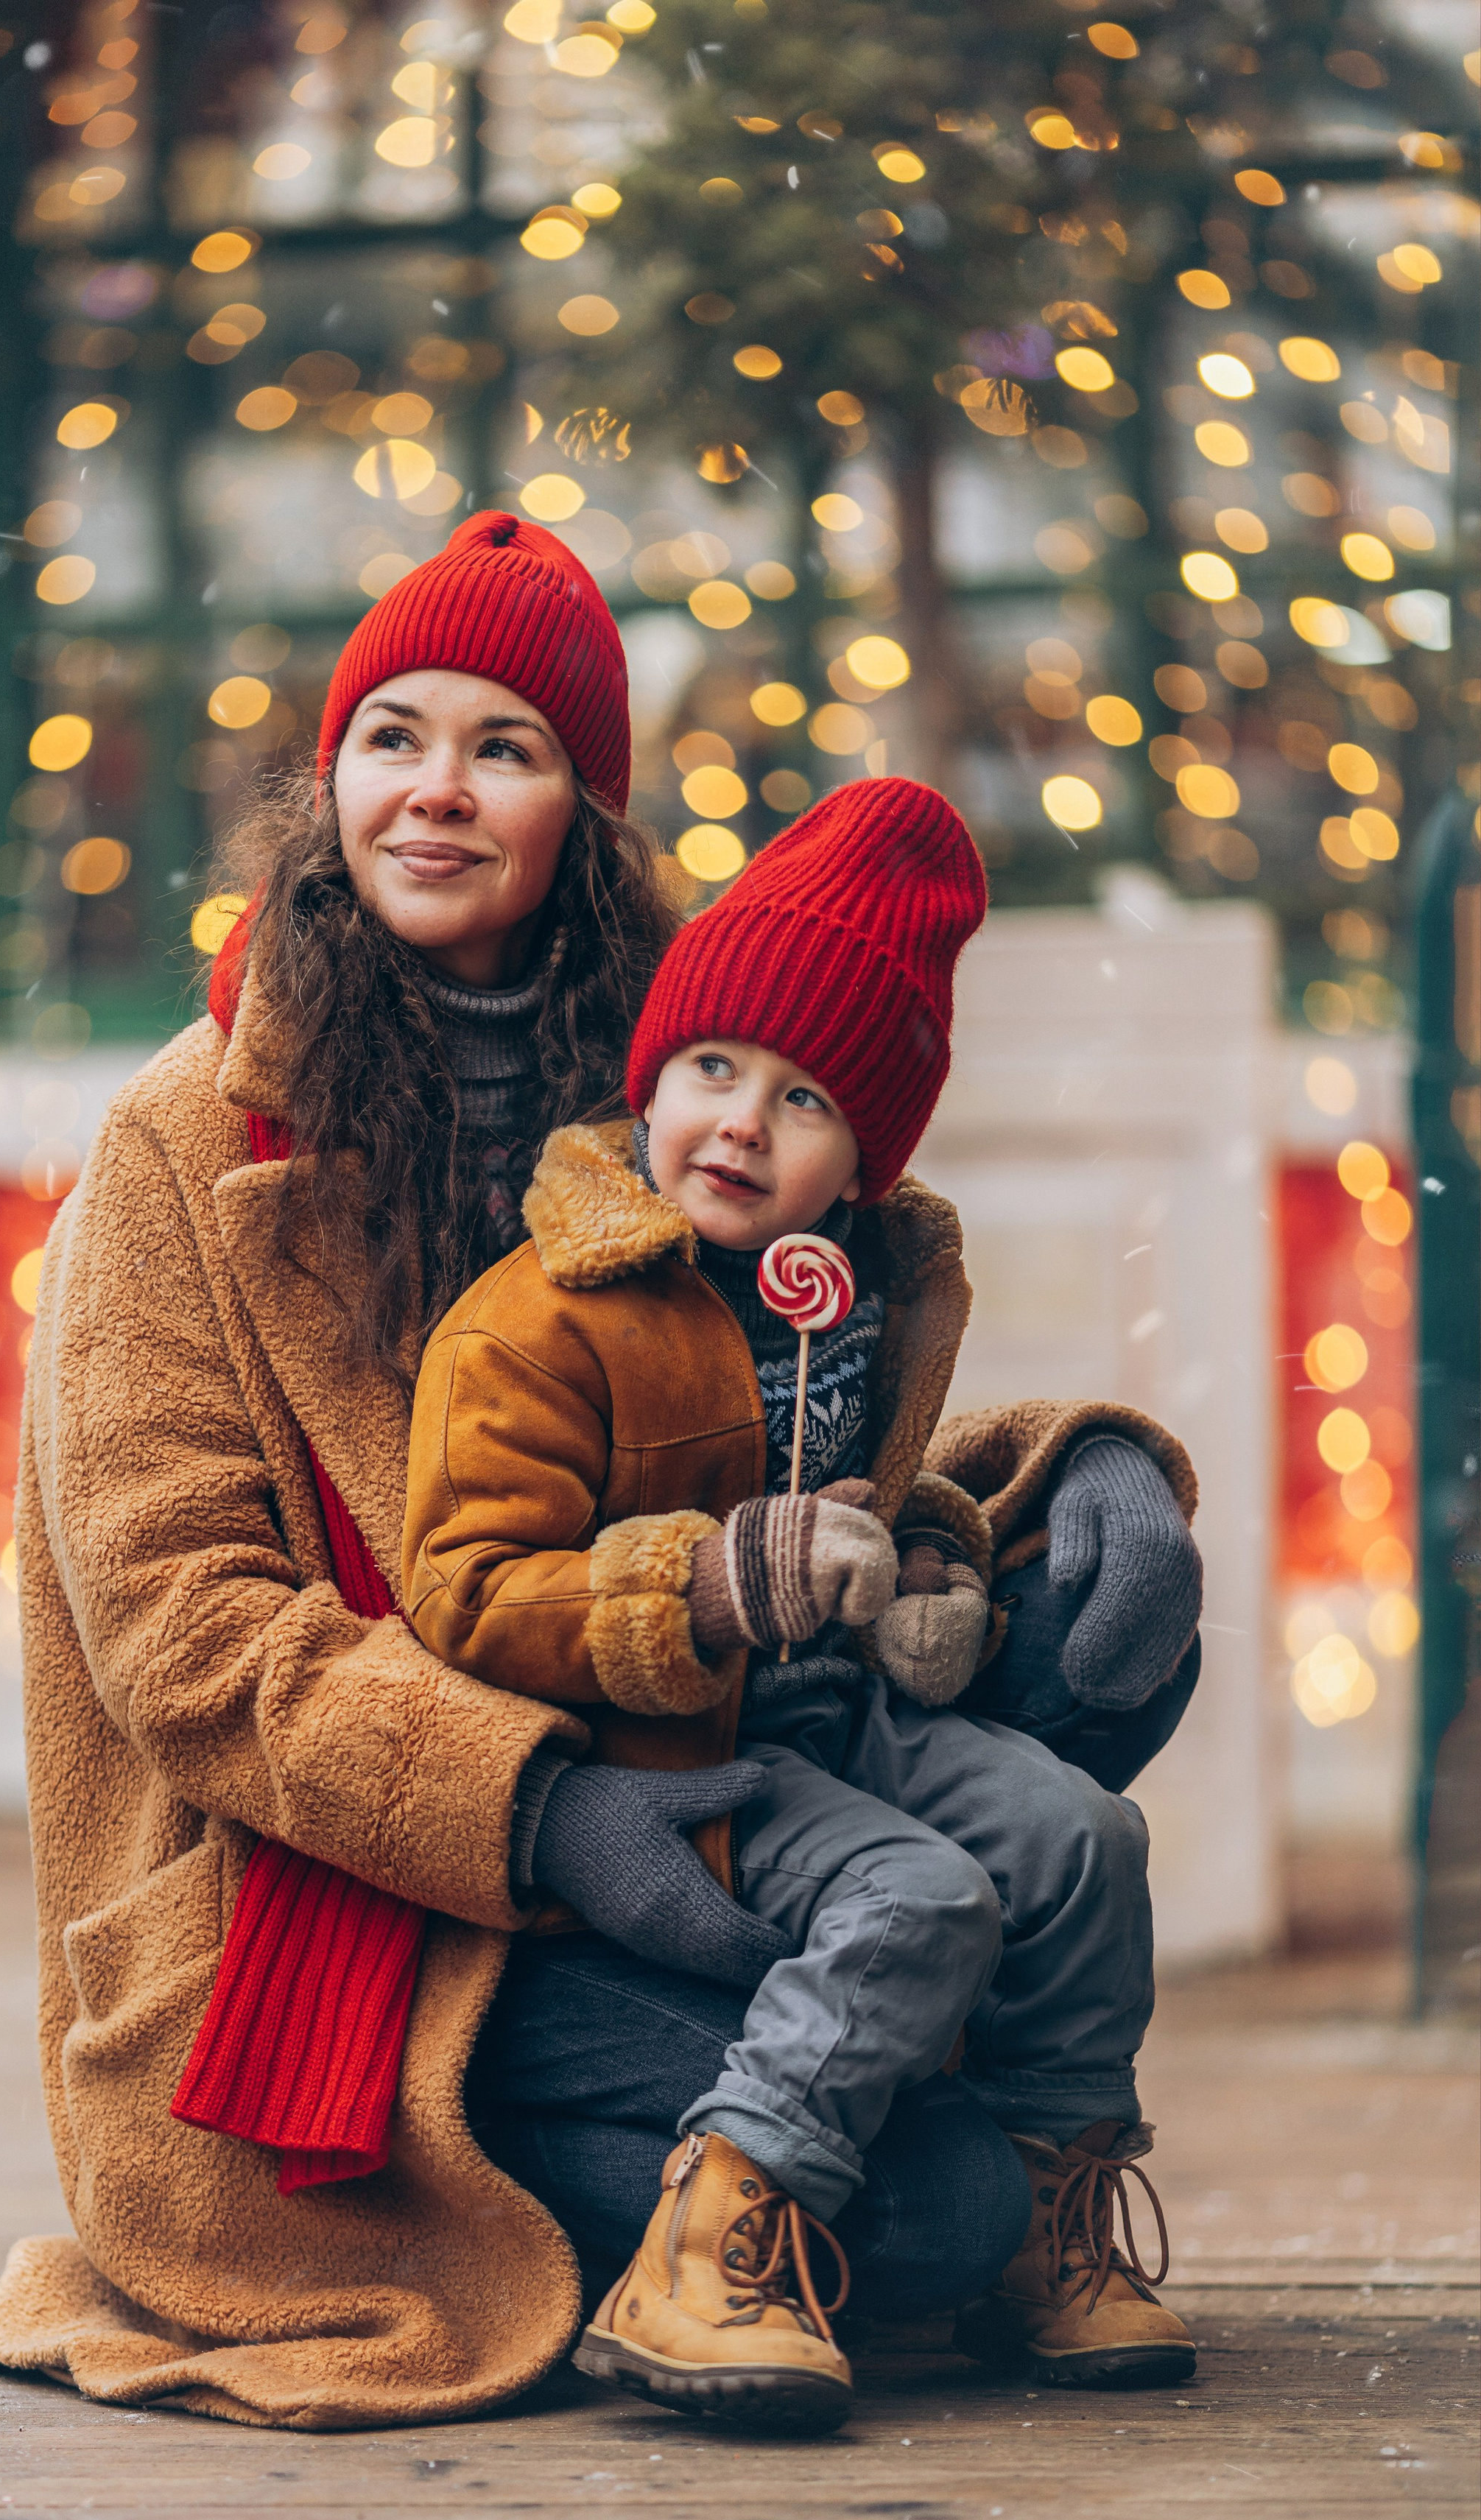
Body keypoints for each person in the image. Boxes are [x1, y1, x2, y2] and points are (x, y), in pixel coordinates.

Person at [0, 511, 1191, 2435]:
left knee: (1045, 1779)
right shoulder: (182, 1139)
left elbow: (781, 1449)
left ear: (580, 813)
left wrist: (1059, 1486)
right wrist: (532, 1811)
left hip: (682, 1745)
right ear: (330, 778)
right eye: (395, 737)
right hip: (361, 1901)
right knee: (928, 2211)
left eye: (507, 749)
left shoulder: (677, 1085)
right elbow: (183, 1632)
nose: (437, 793)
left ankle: (957, 2182)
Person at [406, 778, 1204, 2430]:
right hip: (669, 1758)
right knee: (919, 1899)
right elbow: (467, 1593)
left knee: (1079, 1841)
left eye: (804, 1100)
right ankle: (712, 2226)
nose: (740, 1125)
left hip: (842, 1710)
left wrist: (923, 1556)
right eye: (709, 1070)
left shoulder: (866, 1300)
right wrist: (703, 1582)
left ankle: (1047, 2223)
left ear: (864, 1159)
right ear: (650, 1078)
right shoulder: (542, 1320)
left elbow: (867, 1475)